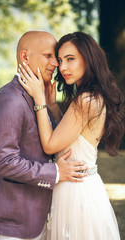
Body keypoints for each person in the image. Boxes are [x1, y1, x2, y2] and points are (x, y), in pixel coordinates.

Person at [0, 31, 89, 240]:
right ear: (25, 57)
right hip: (15, 221)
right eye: (48, 56)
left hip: (43, 217)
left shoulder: (40, 95)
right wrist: (55, 173)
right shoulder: (9, 100)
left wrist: (51, 105)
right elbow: (4, 162)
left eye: (55, 58)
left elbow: (54, 141)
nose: (56, 64)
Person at [18, 31, 124, 239]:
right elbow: (72, 136)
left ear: (89, 59)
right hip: (77, 186)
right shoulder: (90, 95)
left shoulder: (86, 100)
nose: (62, 67)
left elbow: (50, 145)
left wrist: (39, 99)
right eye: (59, 60)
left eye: (70, 59)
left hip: (77, 192)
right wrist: (52, 105)